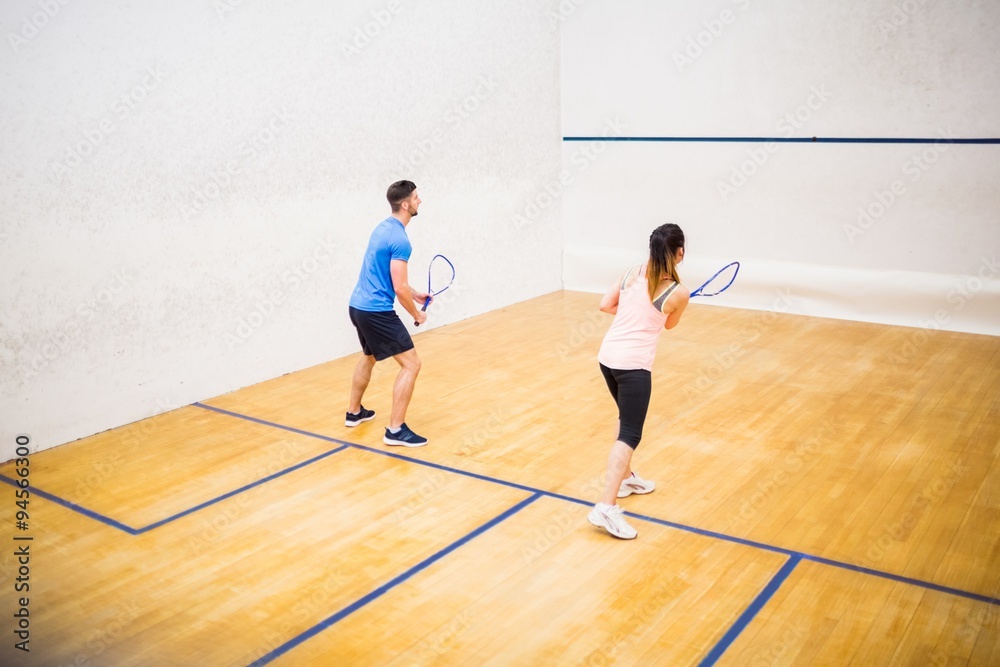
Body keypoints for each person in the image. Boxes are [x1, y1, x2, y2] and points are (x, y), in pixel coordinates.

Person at [588, 223, 690, 539]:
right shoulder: (678, 292)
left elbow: (606, 305)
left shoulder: (633, 271)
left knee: (625, 420)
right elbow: (670, 325)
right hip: (634, 368)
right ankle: (606, 507)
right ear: (680, 253)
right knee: (630, 433)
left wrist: (632, 315)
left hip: (607, 358)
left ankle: (628, 477)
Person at [346, 180, 432, 447]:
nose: (420, 201)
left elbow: (388, 276)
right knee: (412, 364)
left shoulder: (383, 228)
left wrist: (414, 293)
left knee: (369, 356)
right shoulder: (401, 240)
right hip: (376, 313)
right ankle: (395, 430)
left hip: (357, 307)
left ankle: (354, 412)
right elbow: (398, 286)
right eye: (417, 198)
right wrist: (416, 313)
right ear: (405, 204)